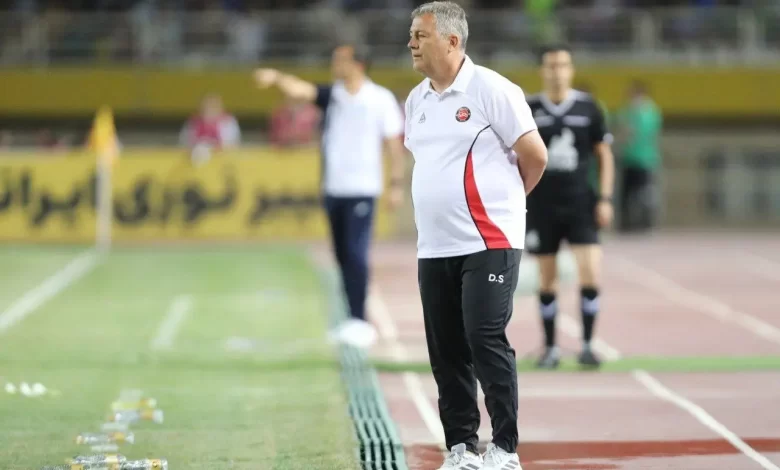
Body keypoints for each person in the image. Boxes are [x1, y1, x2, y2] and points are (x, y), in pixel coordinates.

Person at [405, 2, 548, 469]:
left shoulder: (492, 89)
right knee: (446, 350)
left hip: (489, 240)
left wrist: (507, 205)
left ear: (452, 40)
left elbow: (536, 156)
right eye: (412, 35)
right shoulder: (416, 101)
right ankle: (462, 448)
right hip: (434, 245)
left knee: (483, 337)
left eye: (420, 35)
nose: (411, 43)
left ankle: (504, 448)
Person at [254, 44, 406, 350]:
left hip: (363, 188)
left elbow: (394, 144)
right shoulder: (333, 95)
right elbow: (300, 90)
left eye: (341, 60)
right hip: (334, 188)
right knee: (341, 255)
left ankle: (360, 320)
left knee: (356, 254)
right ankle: (351, 318)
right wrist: (277, 78)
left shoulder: (380, 99)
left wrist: (395, 184)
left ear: (359, 64)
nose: (335, 65)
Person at [524, 44, 616, 369]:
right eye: (551, 65)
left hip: (581, 204)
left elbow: (604, 155)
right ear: (542, 70)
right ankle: (550, 348)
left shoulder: (589, 108)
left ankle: (588, 345)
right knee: (546, 279)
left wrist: (605, 198)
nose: (557, 71)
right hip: (542, 205)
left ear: (571, 69)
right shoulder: (529, 108)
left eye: (563, 65)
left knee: (590, 272)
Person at [614, 80, 663, 233]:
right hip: (628, 159)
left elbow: (647, 134)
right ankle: (626, 223)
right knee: (626, 193)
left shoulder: (650, 112)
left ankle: (646, 222)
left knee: (645, 193)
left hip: (645, 160)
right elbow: (621, 131)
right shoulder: (626, 111)